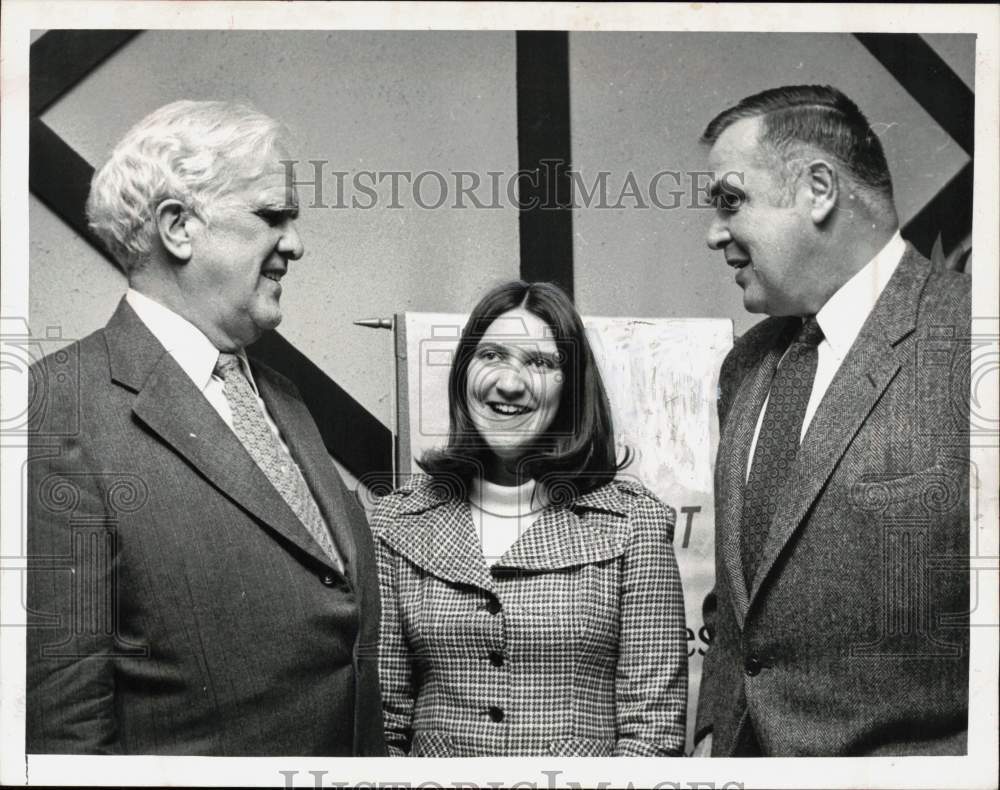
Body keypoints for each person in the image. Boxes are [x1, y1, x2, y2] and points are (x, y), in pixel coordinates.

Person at [26, 100, 385, 756]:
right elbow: (62, 727)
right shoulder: (56, 405)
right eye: (273, 216)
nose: (295, 244)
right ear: (179, 227)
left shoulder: (282, 398)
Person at [694, 85, 970, 756]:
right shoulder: (748, 365)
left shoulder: (974, 340)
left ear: (818, 189)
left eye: (731, 201)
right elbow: (743, 600)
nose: (712, 234)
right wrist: (711, 731)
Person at [371, 281, 687, 757]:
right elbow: (382, 727)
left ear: (572, 386)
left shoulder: (633, 522)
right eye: (492, 355)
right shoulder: (398, 519)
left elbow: (653, 731)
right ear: (463, 372)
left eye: (540, 362)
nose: (510, 383)